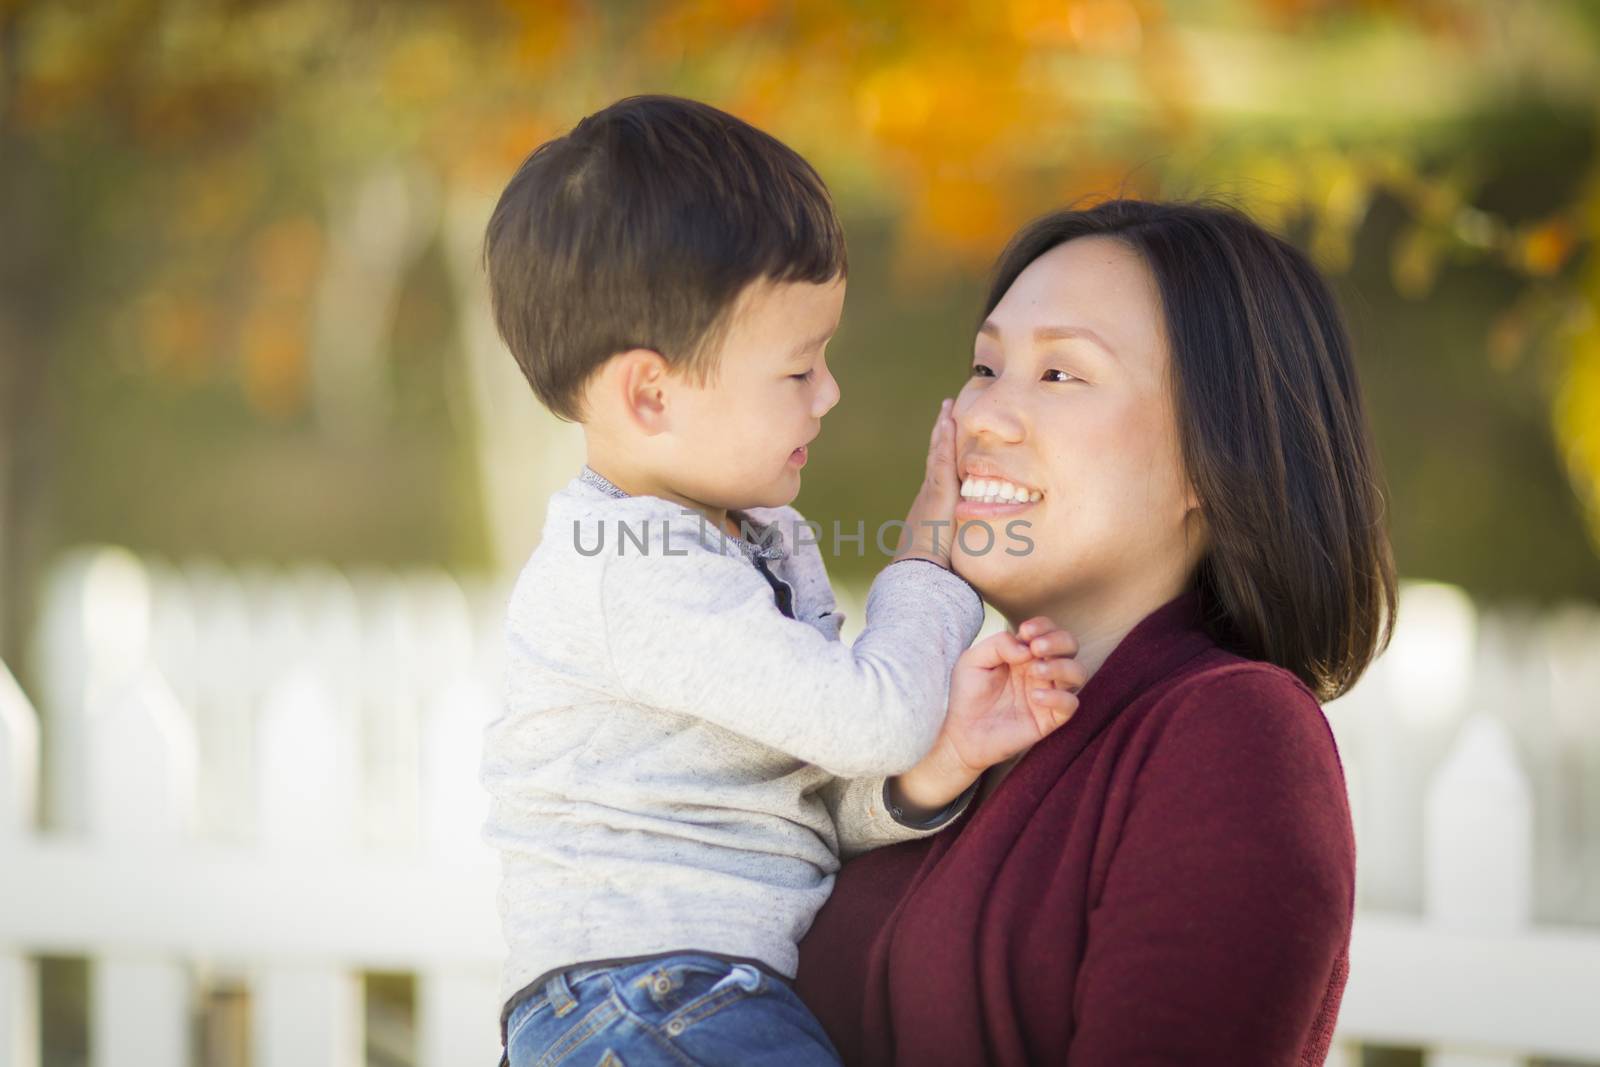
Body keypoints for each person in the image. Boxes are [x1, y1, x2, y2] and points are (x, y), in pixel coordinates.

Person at [477, 95, 1086, 1067]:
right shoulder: (629, 569)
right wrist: (928, 559)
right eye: (798, 370)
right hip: (642, 998)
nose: (831, 392)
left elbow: (796, 794)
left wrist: (932, 765)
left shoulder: (755, 537)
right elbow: (872, 717)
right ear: (650, 392)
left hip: (683, 996)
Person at [794, 198, 1399, 1066]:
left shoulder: (1236, 736)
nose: (982, 419)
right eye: (984, 366)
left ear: (1214, 451)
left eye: (1061, 375)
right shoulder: (937, 727)